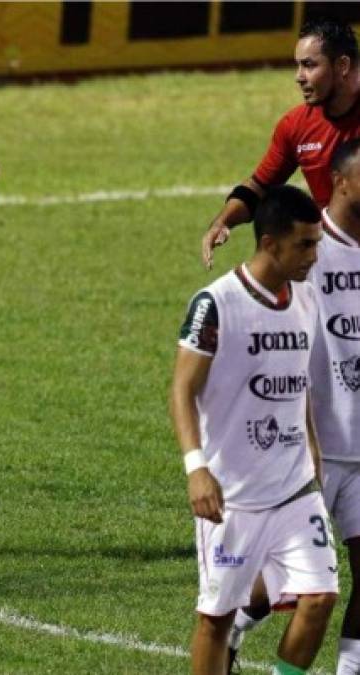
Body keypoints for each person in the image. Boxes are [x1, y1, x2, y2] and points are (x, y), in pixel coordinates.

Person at [171, 184, 338, 674]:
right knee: (216, 621)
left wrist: (313, 448)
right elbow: (182, 390)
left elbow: (299, 379)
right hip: (232, 497)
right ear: (270, 244)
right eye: (305, 244)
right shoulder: (217, 304)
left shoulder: (305, 299)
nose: (314, 254)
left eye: (317, 243)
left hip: (292, 489)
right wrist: (196, 469)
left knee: (321, 598)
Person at [227, 140, 360, 675]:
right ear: (343, 182)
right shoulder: (305, 249)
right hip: (309, 447)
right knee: (286, 581)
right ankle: (234, 623)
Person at [202, 17, 360, 270]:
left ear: (342, 65)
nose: (299, 77)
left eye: (309, 65)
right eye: (297, 66)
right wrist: (223, 221)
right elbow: (257, 187)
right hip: (332, 264)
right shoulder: (297, 126)